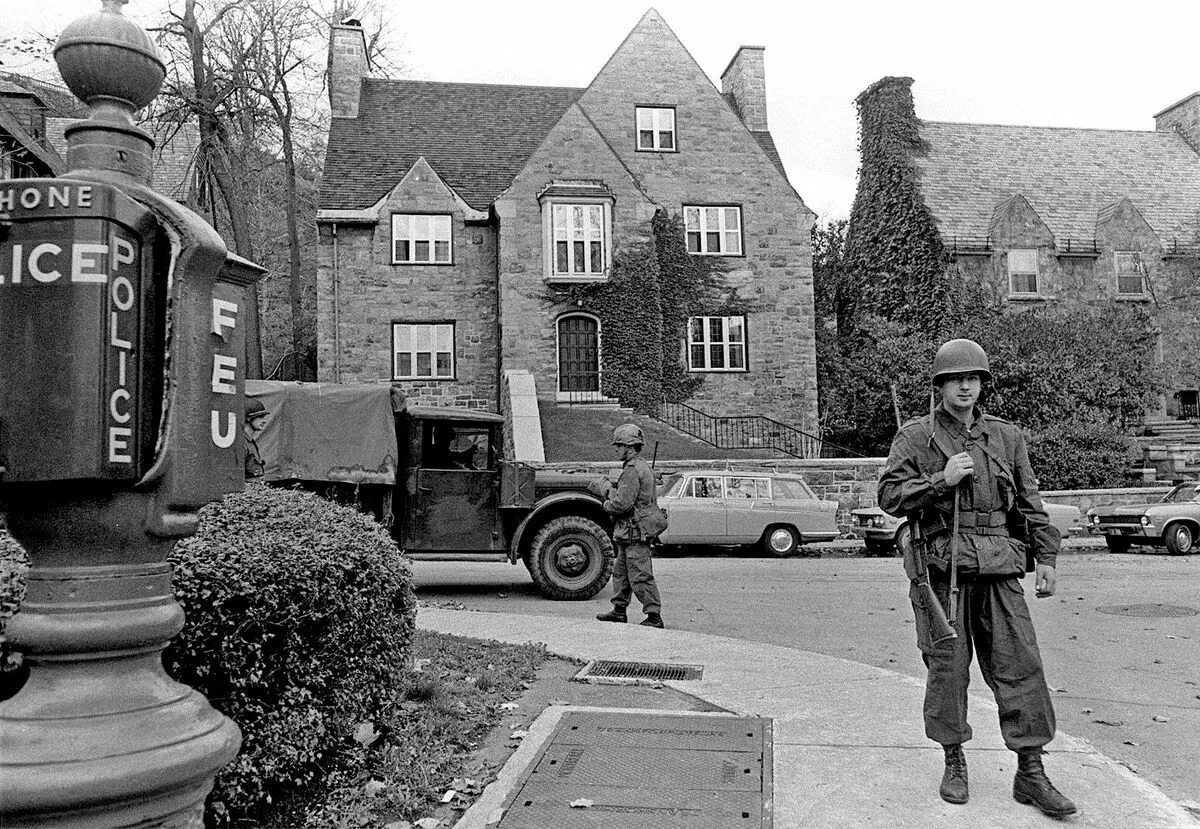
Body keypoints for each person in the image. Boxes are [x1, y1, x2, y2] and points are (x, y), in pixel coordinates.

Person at [878, 338, 1076, 818]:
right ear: (940, 386)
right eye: (955, 379)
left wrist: (1046, 557)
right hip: (943, 569)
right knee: (947, 669)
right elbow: (889, 497)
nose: (965, 387)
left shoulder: (1006, 437)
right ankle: (954, 759)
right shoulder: (915, 437)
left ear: (982, 384)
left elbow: (1029, 503)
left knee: (1021, 666)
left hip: (1001, 568)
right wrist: (939, 480)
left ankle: (1030, 772)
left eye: (973, 379)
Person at [589, 423, 664, 629]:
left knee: (640, 576)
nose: (616, 449)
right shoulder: (641, 466)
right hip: (629, 532)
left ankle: (654, 617)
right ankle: (619, 611)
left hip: (634, 532)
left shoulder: (632, 470)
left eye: (619, 445)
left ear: (629, 448)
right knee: (620, 573)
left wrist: (604, 496)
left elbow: (621, 505)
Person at [244, 397, 269, 479]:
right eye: (260, 417)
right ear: (249, 418)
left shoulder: (250, 442)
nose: (264, 421)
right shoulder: (241, 443)